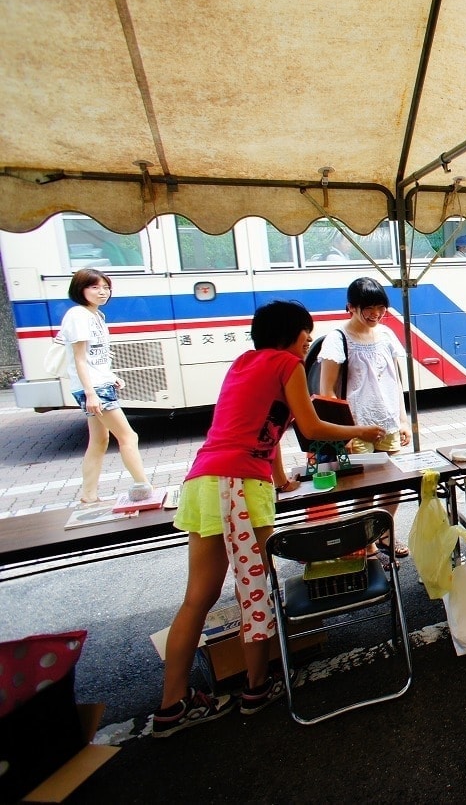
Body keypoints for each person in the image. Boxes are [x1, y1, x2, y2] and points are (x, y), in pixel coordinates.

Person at [152, 300, 382, 737]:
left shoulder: (244, 363)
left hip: (203, 480)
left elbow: (266, 426)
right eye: (305, 337)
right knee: (253, 588)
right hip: (239, 485)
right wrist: (362, 431)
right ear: (289, 335)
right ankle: (257, 689)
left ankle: (172, 705)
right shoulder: (286, 363)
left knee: (196, 599)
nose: (307, 346)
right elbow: (311, 428)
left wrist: (279, 478)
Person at [318, 277, 413, 558]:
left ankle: (384, 532)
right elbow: (327, 393)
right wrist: (345, 432)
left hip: (388, 423)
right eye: (368, 308)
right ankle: (365, 542)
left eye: (380, 308)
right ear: (351, 307)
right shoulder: (338, 338)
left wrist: (404, 420)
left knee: (394, 484)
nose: (375, 314)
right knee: (364, 490)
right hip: (357, 427)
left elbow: (395, 382)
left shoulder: (385, 335)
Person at [59, 268, 153, 504]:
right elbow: (79, 358)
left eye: (105, 287)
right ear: (81, 290)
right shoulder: (78, 315)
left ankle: (88, 496)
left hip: (99, 384)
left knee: (99, 441)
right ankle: (144, 488)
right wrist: (91, 393)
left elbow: (95, 356)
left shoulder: (95, 315)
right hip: (94, 389)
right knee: (128, 437)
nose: (102, 292)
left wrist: (110, 375)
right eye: (95, 287)